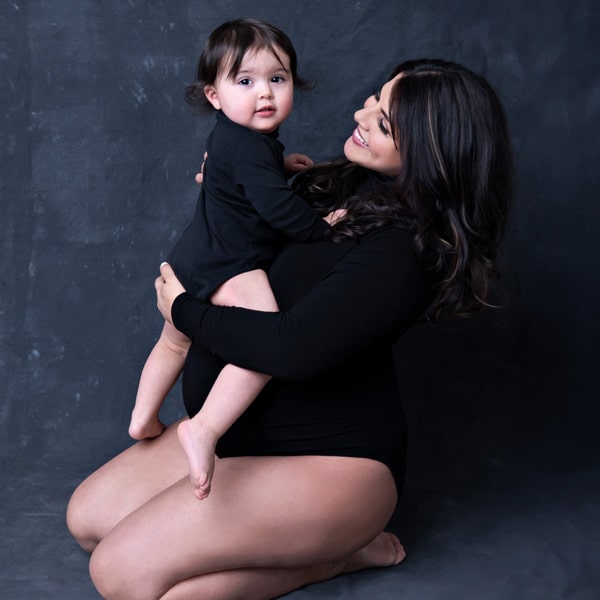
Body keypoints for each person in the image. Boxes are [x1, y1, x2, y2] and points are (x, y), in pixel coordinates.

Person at [67, 58, 512, 599]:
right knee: (87, 520)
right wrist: (232, 183)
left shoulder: (404, 252)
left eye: (385, 122)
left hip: (335, 467)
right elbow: (239, 242)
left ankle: (327, 559)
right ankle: (312, 549)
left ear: (433, 153)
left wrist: (183, 312)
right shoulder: (341, 189)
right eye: (374, 99)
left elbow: (293, 346)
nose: (361, 113)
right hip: (246, 437)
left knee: (122, 575)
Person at [128, 19, 337, 500]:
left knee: (173, 345)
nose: (264, 93)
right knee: (267, 340)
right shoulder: (248, 147)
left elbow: (236, 171)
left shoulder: (238, 137)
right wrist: (323, 229)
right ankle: (204, 428)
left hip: (194, 255)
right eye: (245, 81)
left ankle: (142, 418)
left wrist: (279, 165)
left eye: (277, 79)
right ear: (214, 96)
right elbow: (278, 209)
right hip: (230, 261)